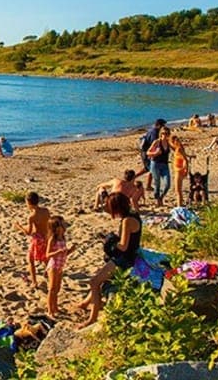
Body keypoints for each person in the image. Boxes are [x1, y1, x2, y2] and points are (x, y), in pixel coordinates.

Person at [77, 192, 142, 327]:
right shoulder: (134, 214)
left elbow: (123, 246)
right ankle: (85, 303)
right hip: (130, 255)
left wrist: (110, 242)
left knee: (94, 282)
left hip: (124, 260)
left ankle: (92, 319)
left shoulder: (126, 221)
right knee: (101, 277)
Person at [13, 192, 50, 287]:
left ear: (29, 203)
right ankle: (48, 272)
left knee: (31, 260)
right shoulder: (46, 211)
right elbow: (45, 224)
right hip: (46, 236)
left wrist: (19, 227)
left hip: (37, 239)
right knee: (45, 258)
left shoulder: (32, 216)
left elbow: (28, 232)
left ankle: (34, 282)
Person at [45, 215, 74, 317]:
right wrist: (57, 252)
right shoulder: (53, 238)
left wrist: (70, 250)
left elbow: (64, 254)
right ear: (56, 228)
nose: (63, 226)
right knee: (52, 288)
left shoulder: (63, 238)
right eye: (61, 225)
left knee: (57, 289)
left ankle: (55, 307)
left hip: (60, 266)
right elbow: (47, 254)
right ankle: (49, 309)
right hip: (53, 265)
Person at [145, 126, 172, 206]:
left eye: (167, 134)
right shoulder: (157, 142)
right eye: (163, 133)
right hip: (155, 164)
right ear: (161, 134)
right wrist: (156, 153)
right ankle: (157, 199)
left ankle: (161, 197)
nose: (165, 135)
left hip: (165, 165)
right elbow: (148, 153)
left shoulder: (168, 142)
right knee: (157, 184)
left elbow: (177, 149)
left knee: (167, 184)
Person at [139, 119, 167, 191]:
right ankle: (148, 186)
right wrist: (154, 154)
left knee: (147, 168)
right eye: (163, 125)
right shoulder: (154, 133)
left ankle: (134, 178)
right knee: (151, 168)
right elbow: (153, 145)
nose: (164, 127)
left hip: (146, 151)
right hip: (146, 152)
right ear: (159, 125)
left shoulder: (154, 130)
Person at [169, 133, 192, 207]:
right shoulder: (178, 148)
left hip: (179, 170)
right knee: (178, 190)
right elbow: (185, 156)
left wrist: (186, 170)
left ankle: (179, 206)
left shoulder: (179, 149)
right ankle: (180, 205)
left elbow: (185, 160)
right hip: (178, 170)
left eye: (176, 140)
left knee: (178, 191)